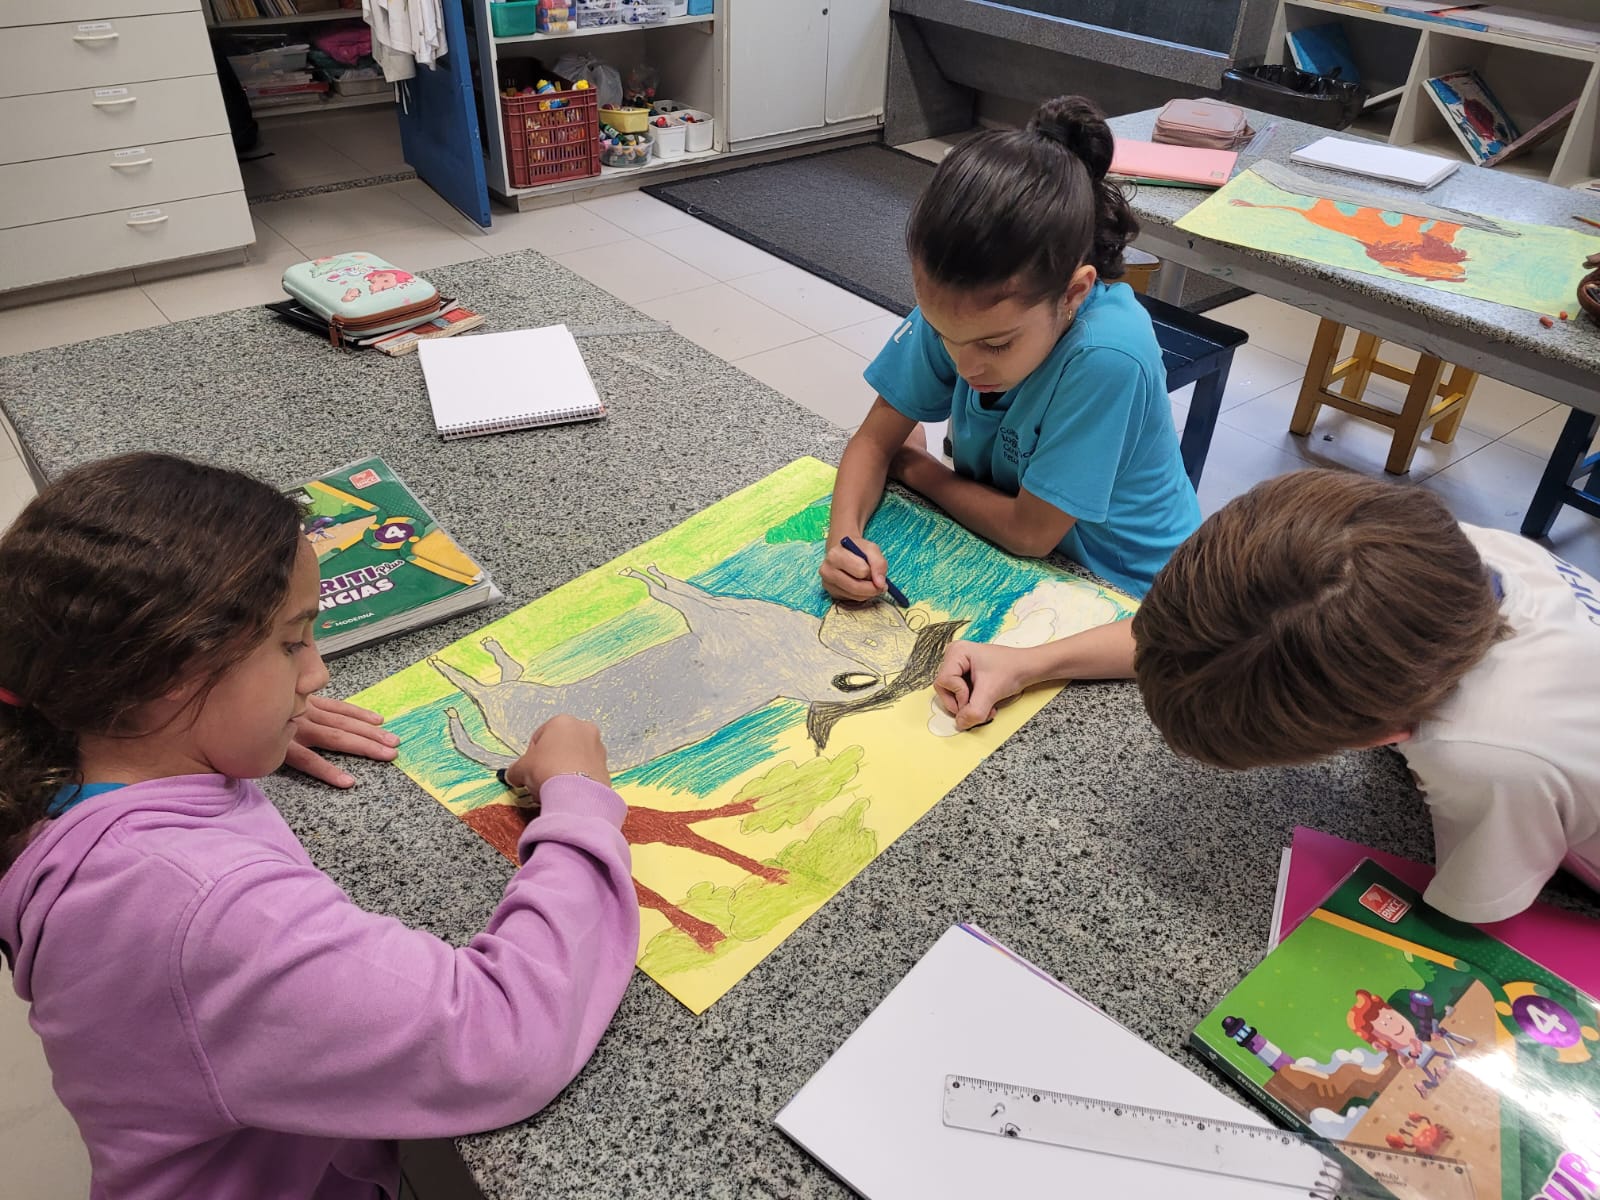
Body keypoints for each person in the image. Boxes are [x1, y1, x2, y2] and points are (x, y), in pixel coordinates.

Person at [0, 453, 640, 1199]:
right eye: (291, 643)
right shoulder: (198, 910)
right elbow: (499, 1037)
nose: (318, 674)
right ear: (168, 674)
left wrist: (230, 726)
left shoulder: (56, 741)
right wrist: (578, 799)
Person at [934, 469, 1600, 924]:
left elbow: (1473, 909)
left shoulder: (1484, 758)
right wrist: (1032, 661)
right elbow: (1217, 636)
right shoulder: (1434, 556)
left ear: (1380, 736)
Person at [819, 95, 1199, 602]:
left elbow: (1029, 533)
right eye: (943, 335)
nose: (965, 364)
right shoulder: (962, 307)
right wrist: (843, 542)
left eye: (996, 344)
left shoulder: (1108, 355)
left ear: (1073, 293)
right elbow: (873, 442)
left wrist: (914, 467)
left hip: (1131, 592)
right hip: (1022, 565)